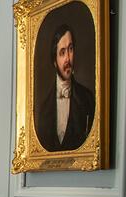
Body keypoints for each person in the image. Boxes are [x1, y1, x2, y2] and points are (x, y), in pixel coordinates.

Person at [34, 24, 95, 152]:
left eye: (71, 49)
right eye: (62, 52)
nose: (68, 58)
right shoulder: (44, 109)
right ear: (55, 61)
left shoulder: (87, 99)